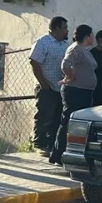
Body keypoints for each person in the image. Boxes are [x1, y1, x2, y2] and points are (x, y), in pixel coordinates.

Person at [49, 25, 97, 165]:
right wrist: (70, 76)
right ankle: (58, 155)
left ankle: (75, 153)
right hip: (75, 91)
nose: (93, 37)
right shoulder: (75, 49)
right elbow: (65, 64)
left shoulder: (85, 50)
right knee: (68, 122)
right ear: (86, 36)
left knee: (81, 124)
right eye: (91, 35)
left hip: (85, 91)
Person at [29, 16, 70, 153]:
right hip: (46, 86)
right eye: (64, 28)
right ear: (56, 28)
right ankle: (39, 143)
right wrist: (43, 84)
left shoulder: (65, 44)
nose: (67, 30)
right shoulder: (43, 42)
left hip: (61, 87)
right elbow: (34, 62)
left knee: (57, 116)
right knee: (44, 115)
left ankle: (52, 143)